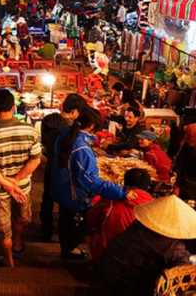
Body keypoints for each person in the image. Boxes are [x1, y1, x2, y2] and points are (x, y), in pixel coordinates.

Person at [51, 108, 136, 260]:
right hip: (75, 195)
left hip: (62, 189)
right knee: (85, 221)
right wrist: (120, 191)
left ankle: (66, 248)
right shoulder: (82, 149)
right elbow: (92, 181)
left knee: (64, 220)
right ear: (91, 127)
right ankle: (69, 249)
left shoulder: (65, 134)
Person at [0, 90, 41, 267]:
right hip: (22, 187)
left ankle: (9, 261)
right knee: (20, 218)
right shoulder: (30, 130)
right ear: (13, 108)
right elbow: (35, 160)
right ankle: (18, 245)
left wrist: (8, 184)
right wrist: (16, 180)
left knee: (3, 229)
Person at [100, 196, 196, 296]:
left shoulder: (139, 224)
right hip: (127, 285)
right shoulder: (170, 245)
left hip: (108, 269)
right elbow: (184, 271)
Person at [39, 93, 86, 241]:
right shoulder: (70, 127)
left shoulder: (47, 120)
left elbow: (45, 143)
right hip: (63, 168)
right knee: (64, 201)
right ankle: (63, 233)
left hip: (50, 164)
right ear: (73, 111)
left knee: (47, 197)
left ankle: (45, 229)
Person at [86, 168, 153, 263]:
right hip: (138, 262)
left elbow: (90, 218)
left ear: (124, 183)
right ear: (148, 188)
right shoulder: (154, 207)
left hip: (104, 258)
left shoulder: (110, 200)